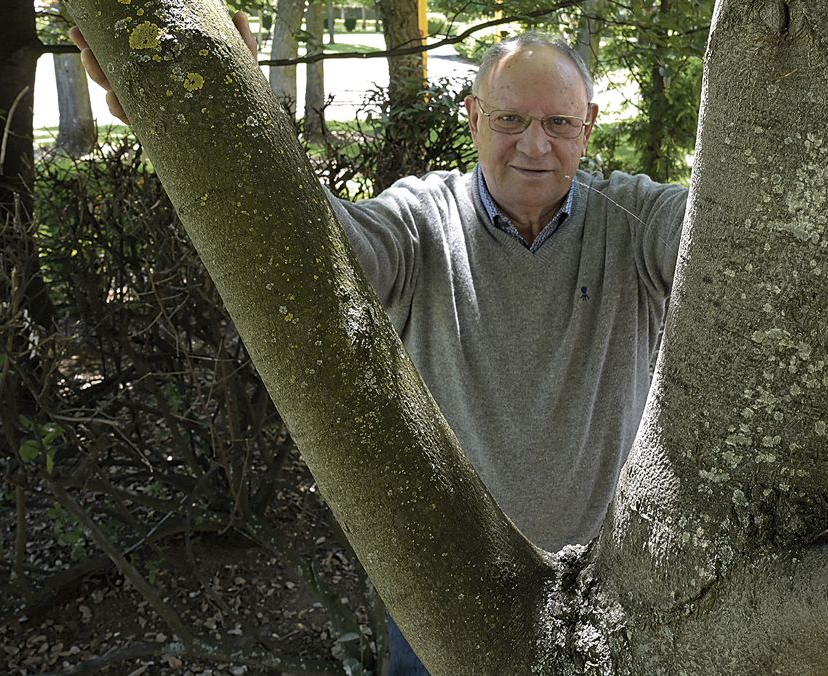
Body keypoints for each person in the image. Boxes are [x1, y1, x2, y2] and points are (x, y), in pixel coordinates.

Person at [71, 17, 687, 675]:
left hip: (608, 583)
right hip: (448, 591)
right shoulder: (425, 218)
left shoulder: (634, 217)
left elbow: (724, 238)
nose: (535, 145)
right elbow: (321, 248)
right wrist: (207, 124)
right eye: (510, 120)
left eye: (559, 124)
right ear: (474, 116)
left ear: (587, 126)